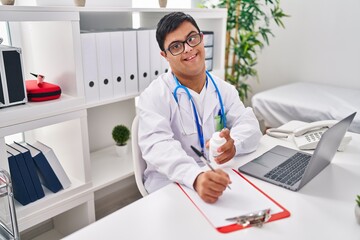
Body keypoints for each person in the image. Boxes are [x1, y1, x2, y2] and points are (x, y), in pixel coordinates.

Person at [137, 12, 262, 203]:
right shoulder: (154, 96)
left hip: (217, 176)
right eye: (176, 46)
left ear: (202, 39)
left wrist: (234, 144)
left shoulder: (223, 89)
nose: (188, 49)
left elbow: (249, 124)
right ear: (165, 55)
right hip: (171, 187)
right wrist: (195, 177)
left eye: (192, 38)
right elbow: (158, 145)